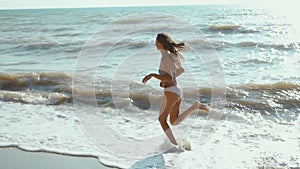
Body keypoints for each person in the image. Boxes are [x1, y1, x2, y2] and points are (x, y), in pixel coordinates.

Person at [142, 33, 209, 146]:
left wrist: (153, 75)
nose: (155, 44)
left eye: (156, 42)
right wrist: (164, 81)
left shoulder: (165, 57)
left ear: (161, 43)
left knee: (162, 120)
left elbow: (169, 77)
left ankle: (174, 145)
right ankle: (194, 107)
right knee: (173, 121)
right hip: (177, 91)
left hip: (171, 92)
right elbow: (180, 70)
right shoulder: (172, 55)